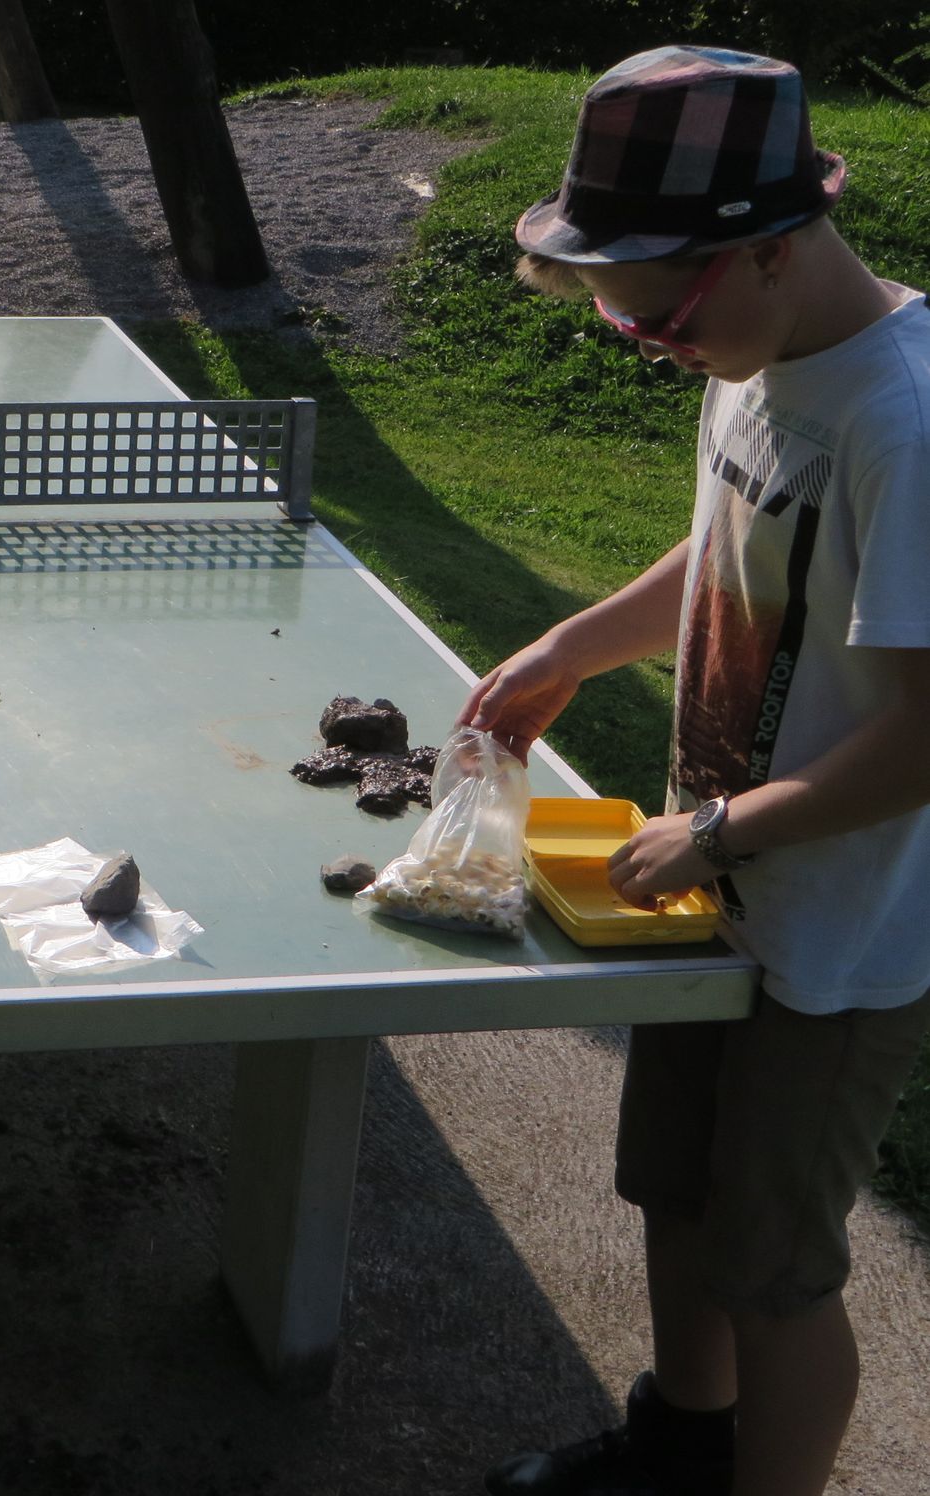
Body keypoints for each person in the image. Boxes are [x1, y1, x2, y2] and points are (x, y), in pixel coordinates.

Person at [461, 45, 930, 1496]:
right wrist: (573, 646)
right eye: (621, 314)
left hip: (836, 938)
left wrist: (723, 831)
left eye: (660, 314)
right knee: (678, 1191)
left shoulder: (906, 422)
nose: (646, 340)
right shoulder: (758, 351)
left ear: (775, 246)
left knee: (775, 1265)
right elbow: (731, 541)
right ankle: (678, 1445)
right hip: (713, 881)